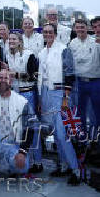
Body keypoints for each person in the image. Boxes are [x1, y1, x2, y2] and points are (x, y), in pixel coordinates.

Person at [38, 23, 80, 185]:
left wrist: (66, 98)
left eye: (50, 32)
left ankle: (76, 169)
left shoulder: (63, 49)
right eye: (45, 32)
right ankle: (63, 165)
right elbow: (41, 76)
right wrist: (41, 99)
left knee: (63, 134)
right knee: (55, 133)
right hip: (46, 93)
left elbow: (69, 74)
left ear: (55, 34)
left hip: (60, 92)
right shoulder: (42, 52)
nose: (47, 34)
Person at [0, 68, 37, 187]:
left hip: (14, 144)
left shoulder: (22, 101)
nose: (3, 80)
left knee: (23, 167)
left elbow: (30, 128)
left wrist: (22, 152)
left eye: (6, 78)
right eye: (0, 78)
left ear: (11, 81)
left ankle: (12, 168)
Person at [6, 32, 42, 173]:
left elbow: (34, 75)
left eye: (14, 39)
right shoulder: (8, 54)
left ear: (20, 41)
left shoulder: (29, 54)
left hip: (28, 93)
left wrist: (16, 75)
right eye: (10, 39)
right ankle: (21, 161)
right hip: (15, 94)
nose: (11, 41)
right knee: (17, 129)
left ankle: (37, 161)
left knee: (32, 128)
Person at [69, 19, 100, 143]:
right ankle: (83, 141)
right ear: (74, 29)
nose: (80, 29)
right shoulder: (72, 43)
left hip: (95, 82)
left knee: (96, 115)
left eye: (83, 27)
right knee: (80, 113)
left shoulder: (96, 42)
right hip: (79, 83)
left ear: (87, 28)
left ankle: (95, 141)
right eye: (78, 27)